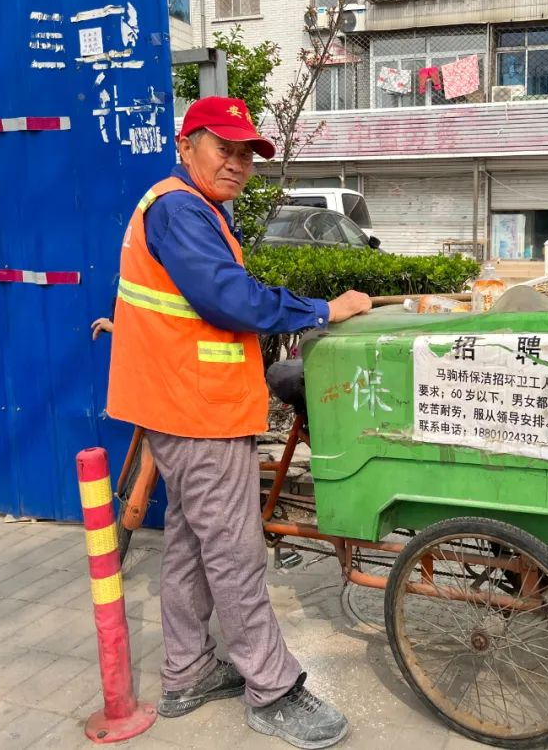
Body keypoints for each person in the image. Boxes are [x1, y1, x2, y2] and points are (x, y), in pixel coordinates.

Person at [106, 95, 371, 749]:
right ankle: (273, 690)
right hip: (195, 412)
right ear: (185, 143)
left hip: (184, 405)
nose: (237, 163)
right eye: (223, 147)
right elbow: (226, 298)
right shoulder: (178, 208)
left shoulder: (194, 208)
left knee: (194, 548)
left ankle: (187, 670)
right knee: (234, 553)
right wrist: (322, 311)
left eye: (247, 152)